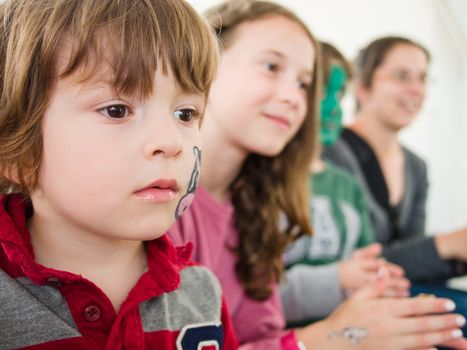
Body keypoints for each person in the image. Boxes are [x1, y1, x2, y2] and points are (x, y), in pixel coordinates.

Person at [169, 2, 467, 349]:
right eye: (271, 66)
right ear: (209, 61)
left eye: (302, 83)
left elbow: (262, 334)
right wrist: (332, 337)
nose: (295, 98)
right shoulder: (159, 199)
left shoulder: (256, 206)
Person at [0, 0, 238, 349]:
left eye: (186, 114)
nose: (170, 142)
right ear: (17, 150)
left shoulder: (202, 295)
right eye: (116, 110)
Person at [323, 36, 467, 321]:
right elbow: (348, 264)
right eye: (402, 77)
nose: (416, 90)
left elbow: (416, 264)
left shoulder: (416, 167)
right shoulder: (330, 151)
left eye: (423, 78)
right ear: (362, 86)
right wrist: (446, 245)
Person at [280, 41, 409, 328]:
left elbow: (367, 261)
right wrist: (338, 279)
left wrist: (381, 282)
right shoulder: (265, 182)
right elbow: (246, 299)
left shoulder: (347, 186)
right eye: (321, 93)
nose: (333, 108)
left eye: (339, 95)